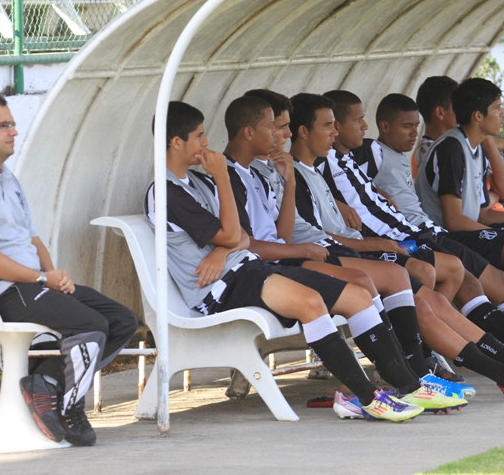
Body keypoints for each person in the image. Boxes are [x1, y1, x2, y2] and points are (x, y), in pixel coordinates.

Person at [145, 100, 428, 422]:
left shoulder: (199, 182)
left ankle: (408, 386)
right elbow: (230, 235)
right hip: (218, 288)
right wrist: (224, 182)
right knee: (310, 302)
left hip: (246, 268)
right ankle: (366, 398)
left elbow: (241, 237)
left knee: (358, 296)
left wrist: (224, 246)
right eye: (199, 136)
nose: (206, 144)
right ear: (176, 142)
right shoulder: (165, 192)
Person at [287, 91, 504, 399]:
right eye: (329, 125)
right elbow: (308, 235)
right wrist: (370, 243)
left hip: (371, 246)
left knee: (434, 301)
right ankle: (425, 373)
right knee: (422, 290)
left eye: (337, 124)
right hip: (344, 255)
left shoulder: (316, 167)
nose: (338, 131)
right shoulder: (297, 172)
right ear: (303, 131)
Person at [321, 89, 504, 353]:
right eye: (497, 109)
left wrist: (496, 145)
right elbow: (458, 216)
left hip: (424, 232)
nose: (414, 132)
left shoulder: (357, 158)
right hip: (417, 234)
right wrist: (339, 202)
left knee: (492, 273)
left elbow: (357, 185)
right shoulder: (377, 150)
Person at [0, 90, 138, 446]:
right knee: (90, 324)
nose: (13, 131)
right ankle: (69, 409)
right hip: (6, 291)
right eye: (4, 125)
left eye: (13, 124)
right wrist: (42, 277)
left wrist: (54, 276)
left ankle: (47, 383)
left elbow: (33, 240)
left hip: (33, 284)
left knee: (121, 319)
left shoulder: (5, 177)